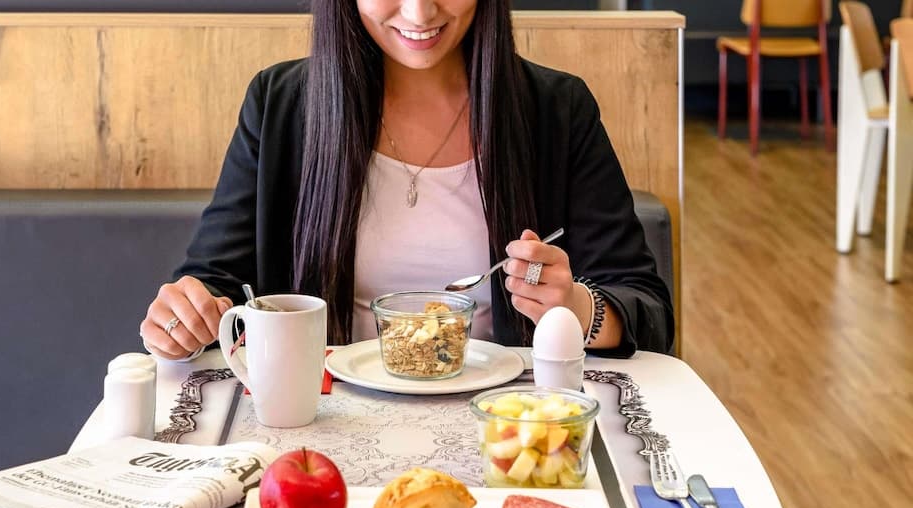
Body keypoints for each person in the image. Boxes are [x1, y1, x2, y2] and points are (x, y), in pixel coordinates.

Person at [140, 0, 674, 361]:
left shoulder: (557, 110)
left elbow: (646, 308)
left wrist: (576, 308)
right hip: (322, 423)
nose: (420, 12)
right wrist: (186, 317)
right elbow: (216, 282)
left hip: (506, 423)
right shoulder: (281, 106)